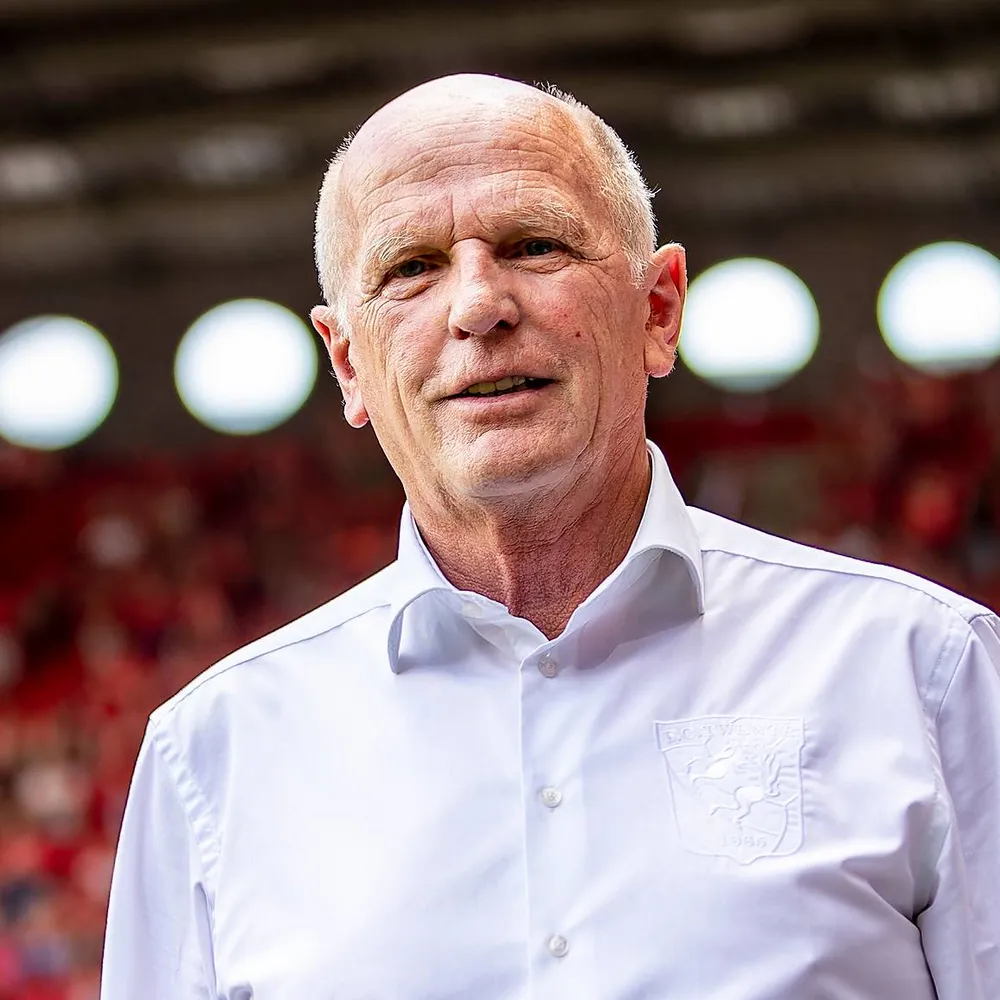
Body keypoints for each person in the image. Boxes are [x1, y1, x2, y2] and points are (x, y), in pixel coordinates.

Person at [100, 74, 1000, 999]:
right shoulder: (211, 756)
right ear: (349, 365)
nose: (477, 305)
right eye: (410, 268)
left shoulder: (926, 671)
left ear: (658, 310)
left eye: (535, 245)